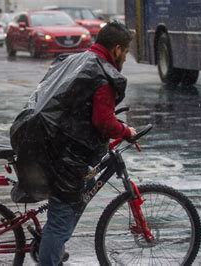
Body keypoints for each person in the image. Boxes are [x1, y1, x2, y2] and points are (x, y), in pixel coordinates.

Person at [37, 22, 137, 265]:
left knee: (70, 207)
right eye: (125, 51)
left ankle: (54, 249)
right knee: (59, 224)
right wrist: (125, 130)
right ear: (116, 49)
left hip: (49, 145)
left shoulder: (75, 60)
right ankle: (50, 255)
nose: (125, 57)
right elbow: (103, 122)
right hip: (68, 158)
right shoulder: (102, 75)